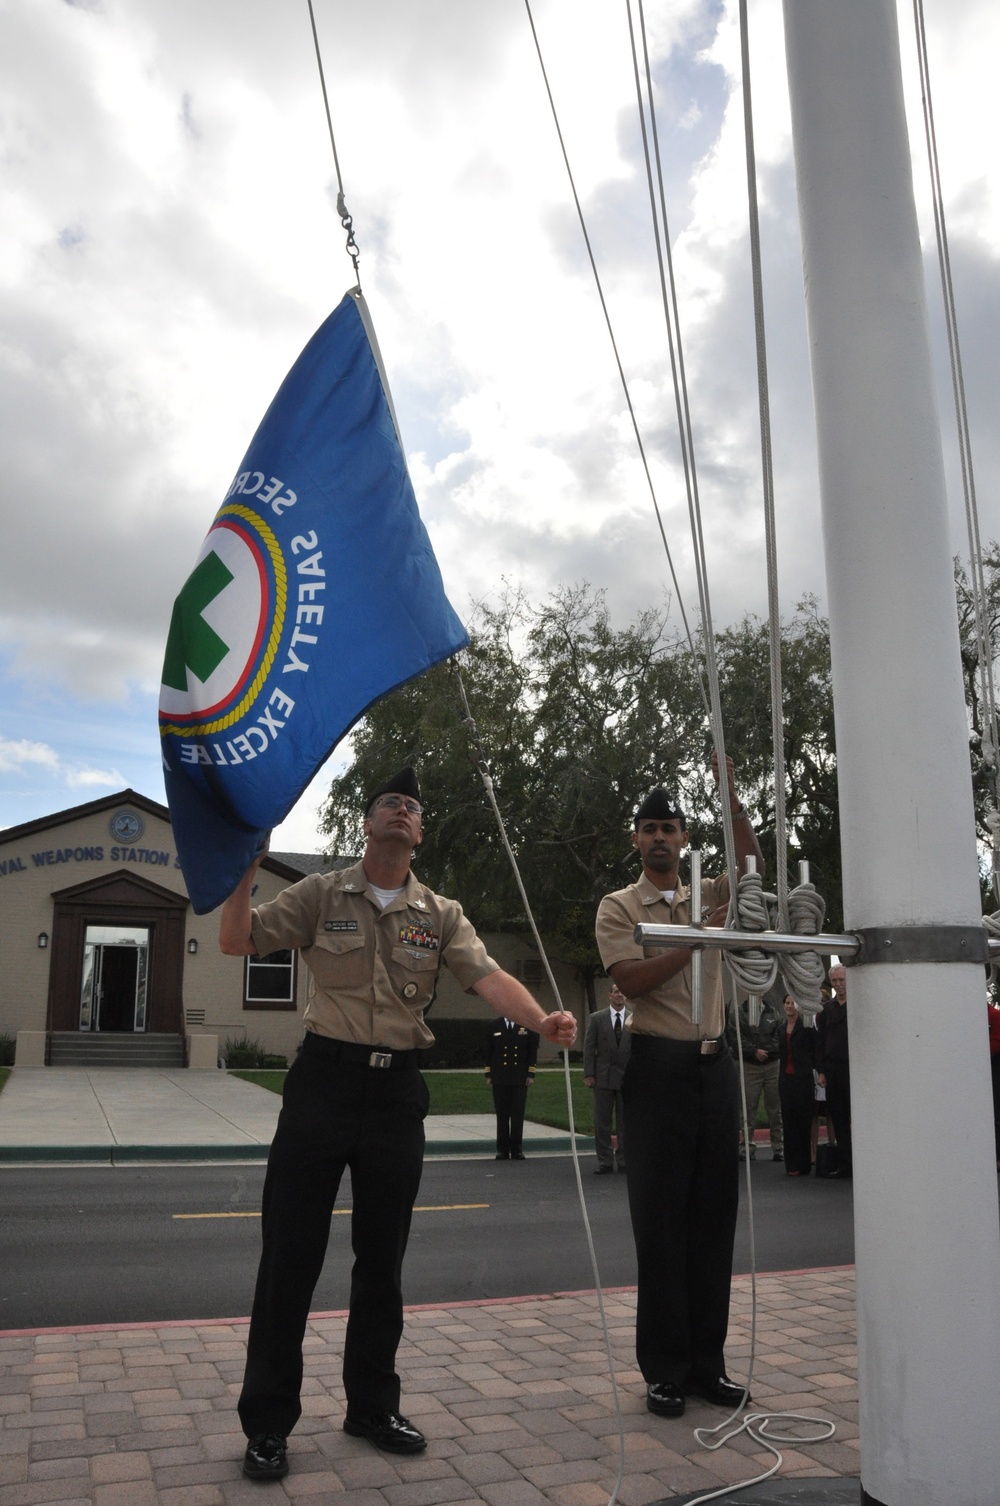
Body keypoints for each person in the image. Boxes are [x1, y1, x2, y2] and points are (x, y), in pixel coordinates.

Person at [219, 767, 577, 1482]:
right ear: (367, 822)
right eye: (390, 802)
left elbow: (486, 976)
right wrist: (243, 871)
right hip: (323, 1083)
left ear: (420, 829)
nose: (402, 812)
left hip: (395, 1096)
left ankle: (372, 1407)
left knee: (381, 1263)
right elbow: (238, 941)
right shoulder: (322, 894)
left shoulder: (438, 913)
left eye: (413, 806)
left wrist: (543, 1018)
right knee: (290, 1258)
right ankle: (267, 1425)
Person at [595, 754, 763, 1419]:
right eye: (649, 828)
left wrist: (732, 796)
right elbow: (630, 981)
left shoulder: (704, 891)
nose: (660, 837)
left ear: (686, 838)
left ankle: (707, 1365)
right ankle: (664, 1370)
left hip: (714, 1067)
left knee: (713, 1220)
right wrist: (698, 942)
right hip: (657, 1069)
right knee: (661, 1225)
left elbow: (751, 872)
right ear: (635, 839)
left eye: (670, 827)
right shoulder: (620, 905)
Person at [726, 992, 784, 1163]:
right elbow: (735, 1036)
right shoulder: (738, 1013)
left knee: (775, 1108)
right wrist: (754, 1051)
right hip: (750, 1065)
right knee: (747, 1108)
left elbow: (778, 1035)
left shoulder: (773, 1012)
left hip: (772, 1064)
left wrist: (765, 1051)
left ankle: (778, 1148)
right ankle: (747, 1148)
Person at [583, 982, 632, 1174]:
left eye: (622, 993)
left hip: (625, 1078)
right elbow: (589, 1048)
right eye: (616, 992)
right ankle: (604, 1160)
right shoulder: (597, 1018)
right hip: (603, 1077)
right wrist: (589, 1073)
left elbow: (637, 1050)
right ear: (610, 995)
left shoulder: (633, 1019)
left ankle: (624, 1160)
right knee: (602, 1122)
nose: (620, 995)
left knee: (625, 1123)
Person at [485, 1016, 538, 1159]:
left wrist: (530, 1074)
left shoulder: (526, 1024)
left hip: (519, 1077)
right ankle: (502, 1149)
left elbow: (532, 1051)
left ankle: (517, 1149)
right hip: (500, 1077)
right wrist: (489, 1074)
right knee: (502, 1115)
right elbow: (488, 1051)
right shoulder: (494, 1025)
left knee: (517, 1114)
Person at [818, 963, 851, 1178]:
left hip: (853, 1070)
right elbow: (820, 1043)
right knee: (838, 1118)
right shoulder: (826, 1010)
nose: (839, 985)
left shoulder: (857, 1006)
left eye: (842, 980)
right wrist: (821, 1071)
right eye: (836, 981)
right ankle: (845, 1164)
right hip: (832, 1071)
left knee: (855, 1118)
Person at [777, 994, 817, 1177]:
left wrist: (821, 1071)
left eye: (793, 1003)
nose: (790, 1006)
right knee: (788, 1120)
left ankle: (803, 1163)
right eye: (787, 1003)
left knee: (802, 1120)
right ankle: (791, 1163)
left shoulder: (807, 1027)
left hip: (803, 1078)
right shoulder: (780, 1028)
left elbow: (815, 1049)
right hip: (785, 1079)